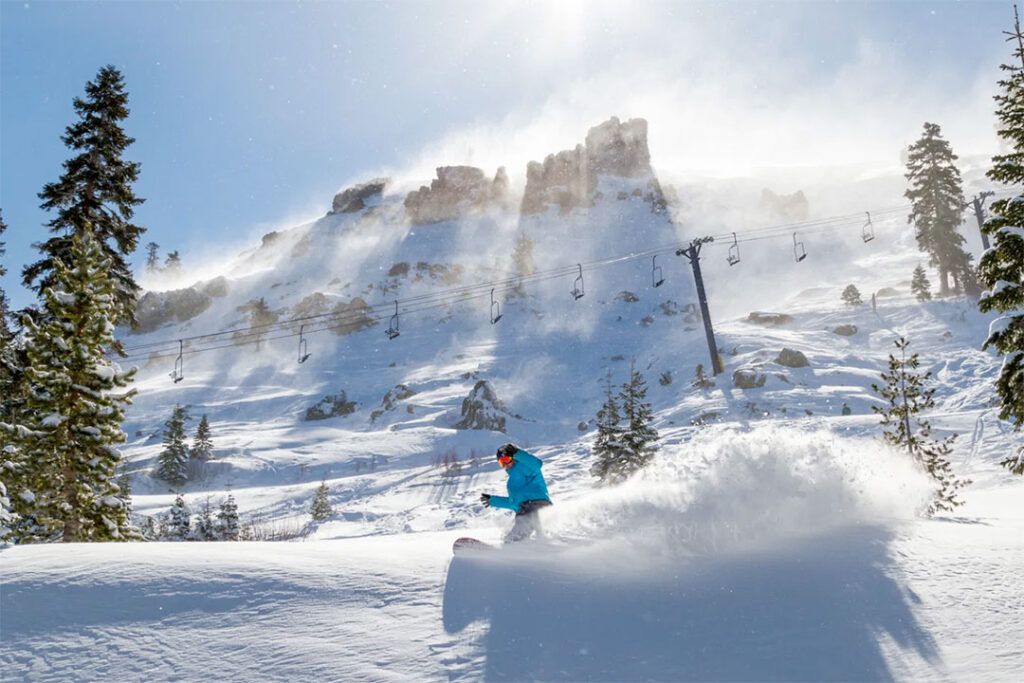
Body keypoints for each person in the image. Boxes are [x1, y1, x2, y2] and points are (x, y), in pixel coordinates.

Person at [480, 443, 552, 543]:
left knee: (514, 539)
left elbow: (537, 464)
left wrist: (517, 453)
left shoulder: (525, 466)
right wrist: (493, 500)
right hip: (525, 508)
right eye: (501, 462)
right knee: (538, 537)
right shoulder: (511, 482)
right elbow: (513, 503)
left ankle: (509, 549)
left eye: (506, 460)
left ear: (512, 457)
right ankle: (537, 552)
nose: (505, 464)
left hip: (535, 505)